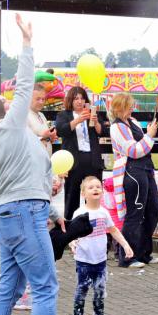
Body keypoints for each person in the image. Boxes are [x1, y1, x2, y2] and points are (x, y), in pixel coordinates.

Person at [0, 14, 77, 315]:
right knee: (46, 286)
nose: (11, 102)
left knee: (9, 288)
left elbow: (29, 177)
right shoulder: (12, 125)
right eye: (5, 102)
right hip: (23, 214)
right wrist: (27, 43)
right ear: (1, 113)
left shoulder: (9, 137)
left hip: (14, 214)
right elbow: (24, 84)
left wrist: (51, 207)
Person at [69, 176, 133, 315]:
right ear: (83, 193)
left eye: (98, 186)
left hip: (100, 259)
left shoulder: (103, 212)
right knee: (83, 287)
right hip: (84, 259)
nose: (95, 189)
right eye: (91, 187)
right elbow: (71, 233)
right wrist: (72, 243)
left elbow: (113, 229)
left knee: (100, 288)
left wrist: (125, 245)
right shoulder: (80, 213)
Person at [109, 92, 158, 268]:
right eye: (129, 105)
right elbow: (134, 151)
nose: (132, 108)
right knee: (135, 214)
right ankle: (127, 256)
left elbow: (143, 146)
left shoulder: (133, 122)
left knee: (153, 210)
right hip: (132, 171)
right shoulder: (117, 127)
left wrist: (148, 135)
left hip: (146, 169)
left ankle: (143, 252)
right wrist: (150, 135)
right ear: (120, 108)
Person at [55, 86, 105, 222]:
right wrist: (78, 120)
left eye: (82, 98)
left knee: (94, 192)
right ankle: (70, 224)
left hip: (92, 158)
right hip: (73, 160)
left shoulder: (92, 112)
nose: (79, 101)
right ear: (70, 100)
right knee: (72, 195)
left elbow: (103, 132)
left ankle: (94, 222)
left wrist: (95, 122)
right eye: (76, 98)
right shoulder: (64, 115)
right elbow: (61, 130)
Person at [27, 84, 57, 155]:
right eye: (38, 99)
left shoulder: (41, 115)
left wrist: (50, 138)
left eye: (43, 99)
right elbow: (23, 142)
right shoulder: (24, 116)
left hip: (45, 159)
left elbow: (44, 138)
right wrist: (42, 137)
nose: (41, 102)